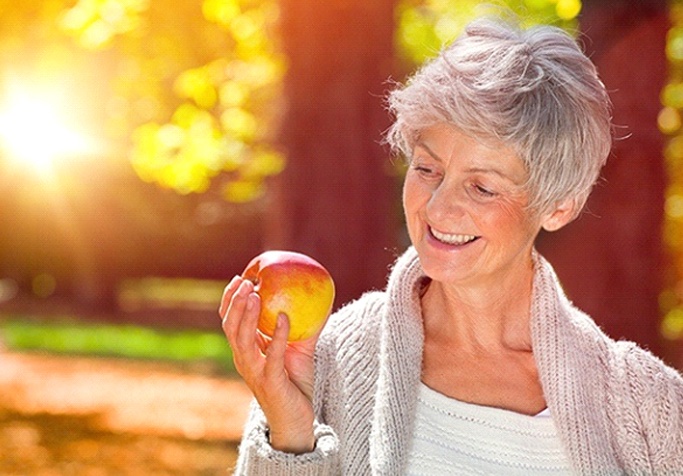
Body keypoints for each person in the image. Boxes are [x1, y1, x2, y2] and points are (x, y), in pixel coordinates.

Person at [219, 15, 683, 475]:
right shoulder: (331, 361)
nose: (438, 211)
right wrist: (292, 436)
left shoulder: (647, 406)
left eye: (482, 187)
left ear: (560, 205)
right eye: (427, 169)